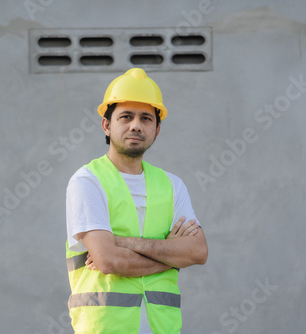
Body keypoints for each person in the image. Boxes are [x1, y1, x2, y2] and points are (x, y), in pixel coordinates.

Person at [65, 68, 208, 334]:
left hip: (163, 328)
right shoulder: (87, 181)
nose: (136, 125)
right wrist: (173, 254)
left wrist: (123, 242)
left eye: (145, 118)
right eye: (126, 117)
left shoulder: (172, 185)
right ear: (107, 125)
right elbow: (109, 261)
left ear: (157, 129)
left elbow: (198, 252)